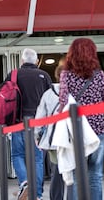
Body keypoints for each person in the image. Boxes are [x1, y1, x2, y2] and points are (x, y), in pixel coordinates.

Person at [58, 38, 104, 200]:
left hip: (76, 130)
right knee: (95, 174)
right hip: (98, 129)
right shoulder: (99, 75)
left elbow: (63, 102)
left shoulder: (66, 75)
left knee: (76, 174)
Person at [5, 48, 52, 200]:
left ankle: (24, 182)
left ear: (22, 61)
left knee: (17, 155)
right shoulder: (44, 75)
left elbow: (5, 97)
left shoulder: (14, 74)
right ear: (37, 61)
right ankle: (37, 194)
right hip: (39, 122)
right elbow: (50, 100)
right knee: (38, 158)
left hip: (18, 121)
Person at [35, 58, 67, 200]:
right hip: (72, 138)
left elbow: (40, 117)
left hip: (54, 138)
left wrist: (37, 135)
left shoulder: (48, 94)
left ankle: (56, 198)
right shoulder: (76, 92)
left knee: (57, 171)